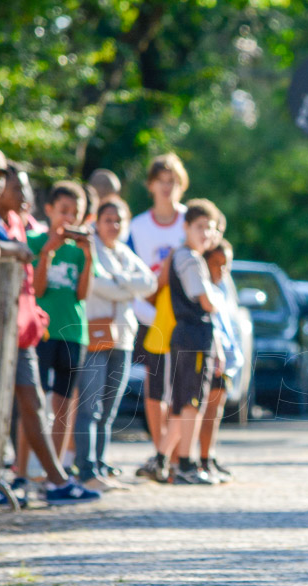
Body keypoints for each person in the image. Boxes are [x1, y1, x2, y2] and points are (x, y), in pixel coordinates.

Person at [73, 199, 157, 491]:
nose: (114, 226)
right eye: (108, 219)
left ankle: (100, 465)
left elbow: (150, 283)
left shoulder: (123, 252)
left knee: (109, 410)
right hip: (96, 337)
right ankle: (85, 469)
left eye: (119, 220)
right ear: (98, 221)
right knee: (89, 407)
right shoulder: (90, 249)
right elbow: (96, 284)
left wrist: (120, 282)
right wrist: (127, 288)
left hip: (123, 339)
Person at [27, 181, 95, 476]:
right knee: (36, 401)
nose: (69, 218)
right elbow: (37, 289)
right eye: (63, 211)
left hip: (73, 332)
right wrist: (47, 253)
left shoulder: (80, 251)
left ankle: (56, 472)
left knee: (64, 407)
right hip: (41, 332)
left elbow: (82, 294)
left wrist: (90, 256)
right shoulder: (34, 242)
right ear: (49, 209)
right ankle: (29, 467)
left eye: (75, 213)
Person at [128, 153, 189, 479]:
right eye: (161, 181)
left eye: (173, 181)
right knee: (156, 391)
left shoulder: (189, 222)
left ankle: (179, 457)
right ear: (150, 185)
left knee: (185, 391)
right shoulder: (137, 227)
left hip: (184, 321)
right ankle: (160, 454)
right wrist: (150, 308)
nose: (167, 188)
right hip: (149, 318)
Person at [161, 199, 221, 485]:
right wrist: (219, 298)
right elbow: (207, 302)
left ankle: (162, 458)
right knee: (191, 402)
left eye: (209, 228)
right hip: (193, 335)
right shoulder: (190, 258)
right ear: (185, 227)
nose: (205, 233)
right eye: (199, 227)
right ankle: (185, 463)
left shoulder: (191, 257)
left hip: (192, 335)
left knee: (184, 401)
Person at [197, 239, 241, 482]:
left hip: (228, 358)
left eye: (226, 266)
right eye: (217, 264)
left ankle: (208, 455)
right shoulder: (205, 289)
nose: (222, 271)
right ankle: (197, 458)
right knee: (206, 408)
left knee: (217, 409)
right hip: (213, 356)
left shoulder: (224, 289)